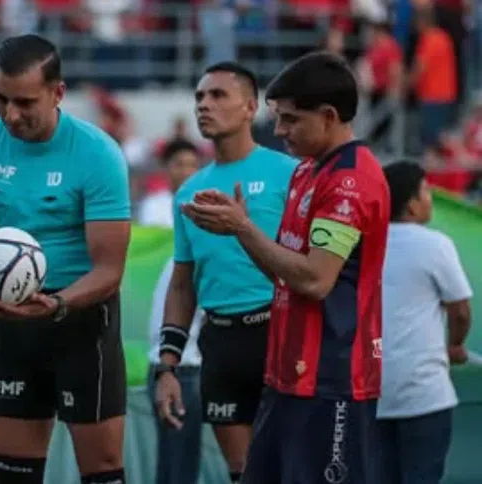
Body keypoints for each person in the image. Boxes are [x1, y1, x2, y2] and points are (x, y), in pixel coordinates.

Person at [0, 34, 132, 484]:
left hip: (82, 322)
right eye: (2, 99)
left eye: (25, 102)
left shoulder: (98, 153)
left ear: (58, 93)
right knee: (12, 474)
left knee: (103, 472)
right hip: (12, 320)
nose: (11, 115)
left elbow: (109, 270)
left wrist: (56, 304)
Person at [186, 51, 391, 483]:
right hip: (285, 376)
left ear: (329, 116)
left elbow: (315, 280)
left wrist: (242, 228)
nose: (279, 131)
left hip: (332, 380)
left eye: (291, 119)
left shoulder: (350, 182)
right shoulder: (306, 172)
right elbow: (286, 275)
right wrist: (238, 229)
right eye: (278, 118)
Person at [154, 62, 298, 484]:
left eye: (217, 95)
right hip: (220, 345)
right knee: (243, 474)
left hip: (281, 335)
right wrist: (167, 366)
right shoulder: (188, 192)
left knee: (293, 469)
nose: (204, 104)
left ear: (250, 107)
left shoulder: (289, 174)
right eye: (199, 97)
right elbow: (183, 284)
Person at [378, 161, 473, 484]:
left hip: (371, 395)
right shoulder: (435, 244)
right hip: (423, 397)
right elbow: (460, 311)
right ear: (411, 203)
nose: (430, 199)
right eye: (426, 192)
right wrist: (455, 345)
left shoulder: (362, 244)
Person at [145, 139, 204, 484]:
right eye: (179, 164)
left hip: (185, 364)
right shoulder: (153, 214)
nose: (186, 171)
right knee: (174, 465)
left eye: (192, 164)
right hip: (169, 364)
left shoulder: (204, 225)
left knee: (179, 465)